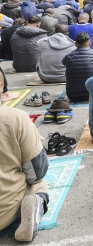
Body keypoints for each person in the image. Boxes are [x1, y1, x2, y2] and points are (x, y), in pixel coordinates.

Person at [0, 69, 50, 242]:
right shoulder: (16, 118)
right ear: (1, 86)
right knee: (41, 185)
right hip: (4, 211)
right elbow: (36, 172)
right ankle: (36, 204)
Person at [63, 32, 93, 102]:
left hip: (72, 95)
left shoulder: (68, 57)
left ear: (75, 44)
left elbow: (63, 62)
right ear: (89, 43)